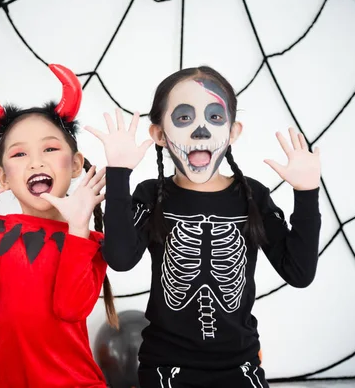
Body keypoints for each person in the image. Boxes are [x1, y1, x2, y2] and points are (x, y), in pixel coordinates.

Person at [87, 65, 321, 387]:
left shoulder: (251, 196)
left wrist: (306, 194)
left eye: (215, 117)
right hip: (165, 367)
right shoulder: (151, 195)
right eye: (184, 118)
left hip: (241, 365)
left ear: (233, 131)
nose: (201, 131)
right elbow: (120, 259)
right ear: (158, 134)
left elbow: (299, 273)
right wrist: (119, 174)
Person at [0, 64, 117, 387]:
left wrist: (78, 229)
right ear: (3, 177)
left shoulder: (91, 243)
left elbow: (70, 307)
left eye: (50, 148)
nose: (35, 162)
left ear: (74, 165)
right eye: (19, 154)